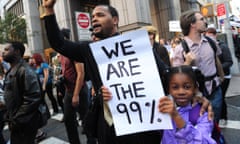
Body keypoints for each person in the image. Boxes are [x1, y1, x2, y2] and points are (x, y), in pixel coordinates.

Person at [42, 1, 212, 143]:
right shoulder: (89, 50)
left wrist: (194, 93)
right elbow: (60, 44)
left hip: (145, 125)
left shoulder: (139, 45)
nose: (94, 19)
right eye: (92, 16)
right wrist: (49, 10)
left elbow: (167, 74)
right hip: (110, 128)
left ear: (115, 20)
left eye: (100, 15)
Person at [171, 10, 222, 123]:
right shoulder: (180, 49)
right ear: (192, 24)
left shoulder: (211, 42)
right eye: (202, 19)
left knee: (215, 122)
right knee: (201, 125)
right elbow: (175, 77)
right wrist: (187, 62)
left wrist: (221, 78)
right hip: (195, 95)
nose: (205, 22)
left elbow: (216, 60)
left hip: (215, 90)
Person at [158, 65, 216, 144]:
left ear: (195, 88)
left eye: (187, 87)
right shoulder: (161, 110)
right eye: (175, 87)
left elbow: (203, 141)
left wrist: (177, 117)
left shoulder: (202, 114)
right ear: (169, 89)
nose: (181, 92)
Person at [59, 28, 96, 144]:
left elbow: (81, 73)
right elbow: (66, 71)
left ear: (64, 38)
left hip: (80, 91)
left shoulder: (74, 50)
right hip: (68, 91)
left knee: (86, 120)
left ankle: (91, 141)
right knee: (69, 121)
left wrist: (76, 95)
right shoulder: (61, 54)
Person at [2, 41, 42, 144]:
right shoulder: (11, 70)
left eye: (6, 50)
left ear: (17, 52)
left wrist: (16, 119)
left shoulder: (25, 71)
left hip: (24, 123)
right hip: (17, 121)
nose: (3, 52)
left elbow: (33, 98)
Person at [205, 27, 233, 125]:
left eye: (210, 36)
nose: (209, 38)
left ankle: (223, 117)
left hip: (224, 76)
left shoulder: (223, 46)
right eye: (207, 36)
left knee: (221, 96)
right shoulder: (207, 46)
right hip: (214, 77)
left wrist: (217, 68)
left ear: (215, 35)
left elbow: (229, 62)